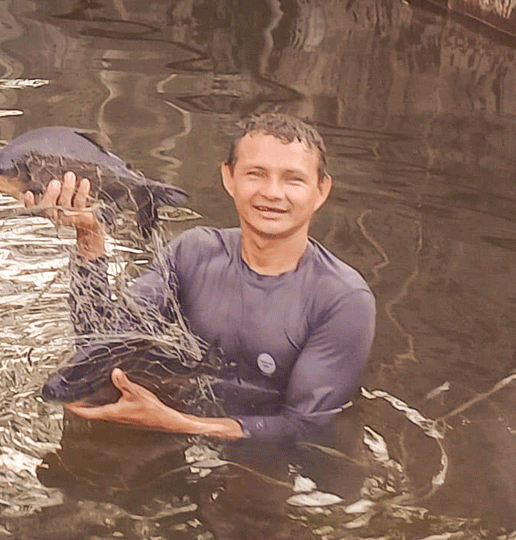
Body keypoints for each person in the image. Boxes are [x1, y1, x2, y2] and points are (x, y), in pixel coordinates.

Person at [23, 113, 376, 441]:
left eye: (293, 179)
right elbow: (100, 344)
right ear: (229, 178)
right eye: (256, 174)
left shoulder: (342, 299)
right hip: (180, 424)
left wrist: (175, 423)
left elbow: (306, 429)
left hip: (265, 466)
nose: (272, 192)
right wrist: (89, 235)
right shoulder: (194, 252)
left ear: (322, 190)